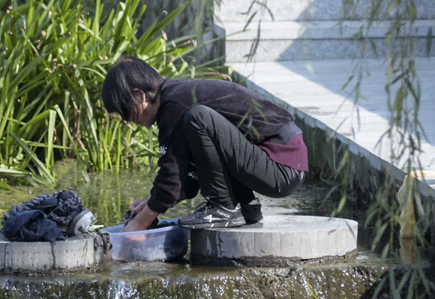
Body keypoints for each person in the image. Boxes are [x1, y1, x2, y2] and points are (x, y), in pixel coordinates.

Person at [103, 56, 307, 230]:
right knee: (197, 121)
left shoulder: (175, 104)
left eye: (125, 110)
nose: (127, 120)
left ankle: (224, 208)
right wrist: (150, 205)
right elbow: (186, 178)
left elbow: (170, 177)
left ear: (140, 96)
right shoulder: (175, 98)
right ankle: (245, 207)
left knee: (198, 117)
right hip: (282, 162)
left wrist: (139, 224)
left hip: (281, 164)